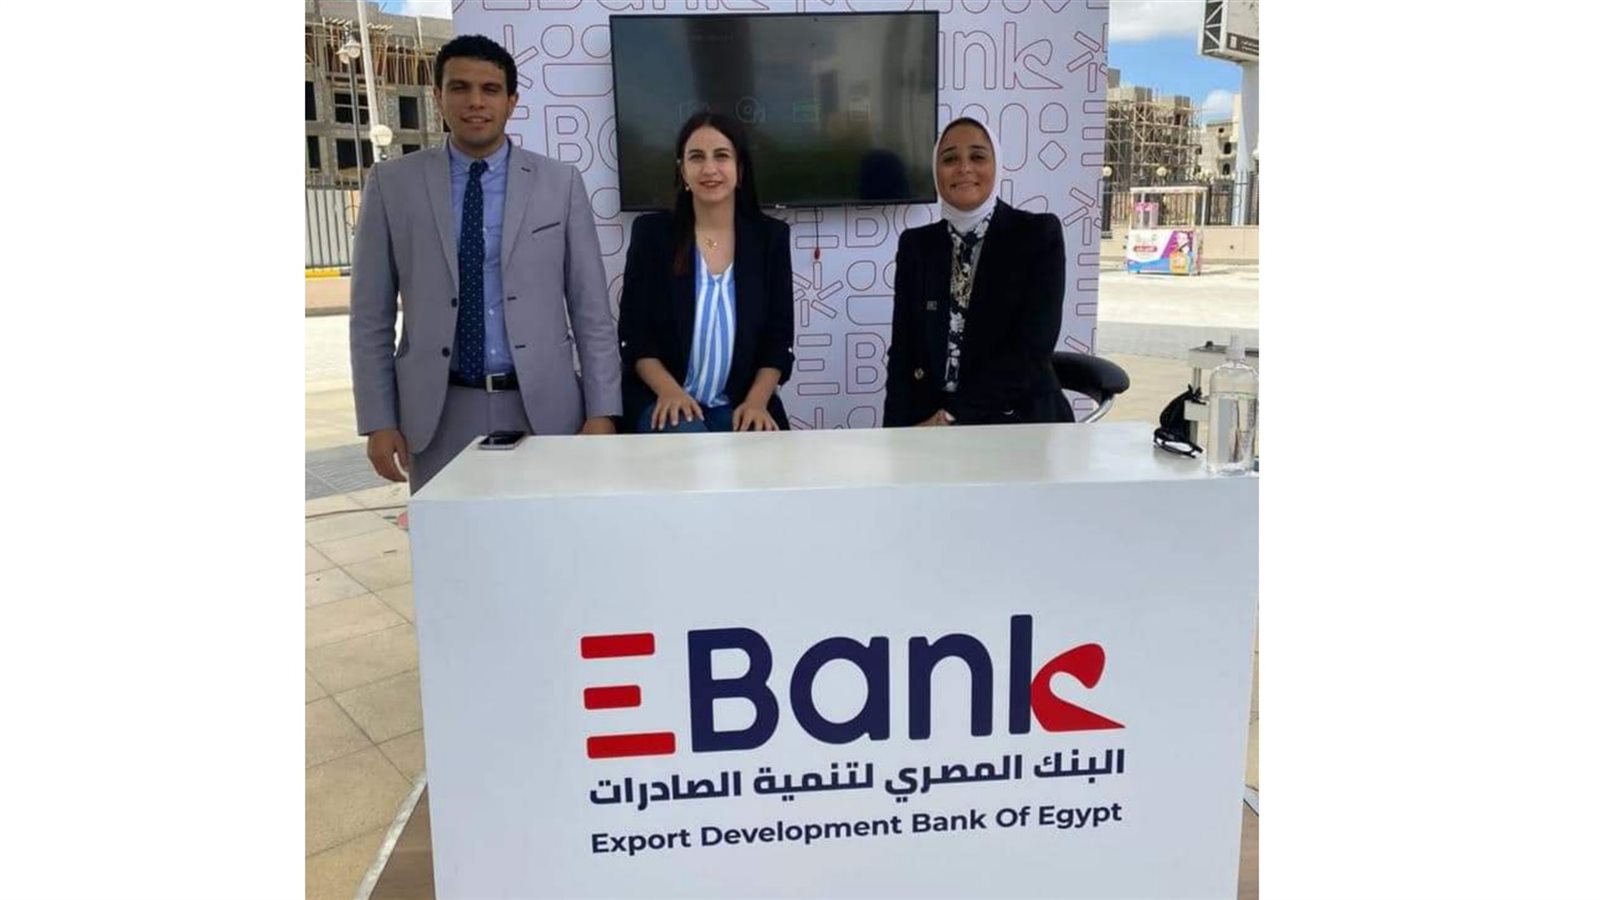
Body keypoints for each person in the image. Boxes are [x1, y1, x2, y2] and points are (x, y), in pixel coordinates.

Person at [349, 34, 622, 491]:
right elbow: (369, 317)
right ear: (437, 97)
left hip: (545, 411)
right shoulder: (392, 184)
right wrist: (378, 419)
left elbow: (591, 309)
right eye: (459, 87)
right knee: (452, 537)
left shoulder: (560, 184)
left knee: (548, 534)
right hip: (437, 414)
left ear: (511, 101)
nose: (475, 102)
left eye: (490, 89)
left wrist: (602, 411)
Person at [882, 117, 1072, 427]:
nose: (964, 168)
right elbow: (903, 352)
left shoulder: (1037, 235)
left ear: (996, 166)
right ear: (936, 172)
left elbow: (1031, 350)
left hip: (1016, 421)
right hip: (929, 423)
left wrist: (950, 418)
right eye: (950, 159)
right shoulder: (916, 245)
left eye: (978, 156)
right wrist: (895, 435)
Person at [616, 112, 795, 433]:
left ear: (740, 169)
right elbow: (635, 335)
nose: (709, 169)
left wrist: (756, 402)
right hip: (663, 398)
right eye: (696, 157)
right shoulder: (652, 235)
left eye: (721, 156)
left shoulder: (771, 238)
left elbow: (778, 341)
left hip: (740, 401)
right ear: (682, 170)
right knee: (690, 440)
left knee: (763, 451)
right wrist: (670, 392)